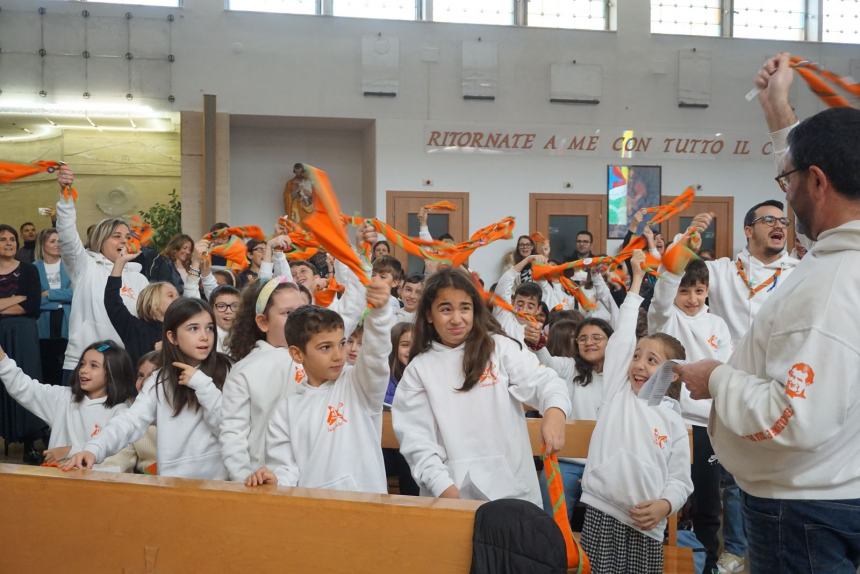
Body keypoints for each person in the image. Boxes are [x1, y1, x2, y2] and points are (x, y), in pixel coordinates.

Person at [676, 52, 860, 574]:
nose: (786, 195)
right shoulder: (835, 253)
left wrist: (716, 379)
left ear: (818, 183)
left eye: (789, 182)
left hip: (804, 509)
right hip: (834, 487)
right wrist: (777, 109)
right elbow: (823, 162)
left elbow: (791, 417)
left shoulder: (829, 286)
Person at [391, 268, 570, 507]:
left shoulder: (499, 348)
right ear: (429, 315)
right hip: (452, 498)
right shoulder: (419, 369)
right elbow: (417, 442)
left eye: (465, 308)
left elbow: (545, 382)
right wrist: (446, 490)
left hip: (513, 491)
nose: (457, 319)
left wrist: (555, 411)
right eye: (445, 309)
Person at [579, 250, 693, 573]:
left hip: (648, 526)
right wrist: (637, 281)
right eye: (637, 356)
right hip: (602, 511)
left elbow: (681, 480)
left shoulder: (673, 420)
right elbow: (622, 338)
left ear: (672, 373)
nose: (639, 365)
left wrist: (665, 505)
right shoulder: (619, 391)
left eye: (652, 361)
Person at [245, 278, 394, 492]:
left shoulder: (358, 385)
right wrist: (275, 479)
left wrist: (379, 315)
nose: (338, 355)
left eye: (341, 343)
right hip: (314, 514)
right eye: (325, 347)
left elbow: (375, 358)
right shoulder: (286, 410)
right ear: (297, 354)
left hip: (367, 510)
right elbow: (286, 469)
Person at [63, 298, 232, 479]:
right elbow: (130, 421)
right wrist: (93, 450)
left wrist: (202, 384)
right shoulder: (159, 379)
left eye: (209, 328)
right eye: (193, 328)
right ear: (172, 337)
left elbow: (229, 429)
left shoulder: (228, 370)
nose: (204, 336)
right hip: (171, 484)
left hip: (218, 485)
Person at [647, 259, 732, 573]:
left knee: (708, 501)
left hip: (706, 425)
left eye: (699, 290)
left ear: (708, 290)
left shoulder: (718, 325)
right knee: (664, 494)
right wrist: (672, 266)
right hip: (669, 421)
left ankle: (708, 562)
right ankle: (657, 559)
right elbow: (659, 303)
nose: (693, 298)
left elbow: (725, 368)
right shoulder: (666, 319)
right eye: (685, 291)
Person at [55, 166, 149, 385]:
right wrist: (65, 196)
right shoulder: (86, 266)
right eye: (116, 236)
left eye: (127, 236)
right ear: (100, 240)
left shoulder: (139, 278)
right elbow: (67, 235)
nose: (124, 241)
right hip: (84, 363)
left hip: (124, 364)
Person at [220, 278, 306, 482]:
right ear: (263, 322)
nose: (299, 321)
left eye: (302, 312)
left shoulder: (317, 359)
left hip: (313, 475)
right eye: (288, 314)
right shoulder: (245, 370)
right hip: (265, 477)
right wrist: (245, 477)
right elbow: (233, 433)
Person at [0, 340, 136, 469]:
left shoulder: (122, 412)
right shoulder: (63, 398)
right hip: (56, 483)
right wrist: (2, 360)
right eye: (82, 364)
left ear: (113, 372)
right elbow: (24, 387)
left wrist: (69, 451)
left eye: (93, 365)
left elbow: (119, 459)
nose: (83, 370)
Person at [533, 316, 613, 520]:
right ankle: (552, 548)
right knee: (552, 514)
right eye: (583, 339)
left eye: (597, 338)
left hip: (605, 462)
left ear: (611, 342)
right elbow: (547, 362)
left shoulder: (619, 375)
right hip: (567, 460)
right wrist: (539, 345)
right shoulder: (570, 367)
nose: (589, 343)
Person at [0, 223, 45, 462]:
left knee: (27, 381)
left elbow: (32, 306)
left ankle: (30, 443)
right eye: (3, 239)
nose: (9, 243)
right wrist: (14, 299)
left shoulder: (29, 270)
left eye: (12, 239)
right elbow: (22, 302)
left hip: (23, 334)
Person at [33, 228, 72, 386]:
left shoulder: (70, 266)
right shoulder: (33, 268)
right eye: (53, 241)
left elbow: (75, 293)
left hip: (68, 322)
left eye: (60, 241)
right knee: (47, 369)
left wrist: (48, 294)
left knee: (66, 369)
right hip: (43, 325)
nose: (58, 244)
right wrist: (61, 300)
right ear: (43, 244)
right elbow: (33, 299)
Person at [209, 285, 241, 355]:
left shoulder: (248, 336)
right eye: (221, 306)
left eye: (235, 306)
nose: (228, 311)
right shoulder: (207, 338)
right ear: (211, 309)